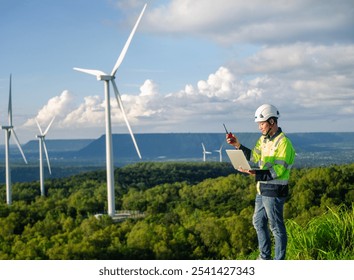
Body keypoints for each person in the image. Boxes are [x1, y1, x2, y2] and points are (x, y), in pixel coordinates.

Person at [226, 104, 295, 260]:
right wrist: (237, 145)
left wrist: (255, 173)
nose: (259, 127)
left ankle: (279, 262)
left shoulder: (284, 143)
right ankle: (264, 258)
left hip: (275, 190)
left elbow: (279, 170)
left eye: (262, 123)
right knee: (258, 222)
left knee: (276, 227)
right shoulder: (263, 140)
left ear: (271, 122)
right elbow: (254, 157)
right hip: (262, 189)